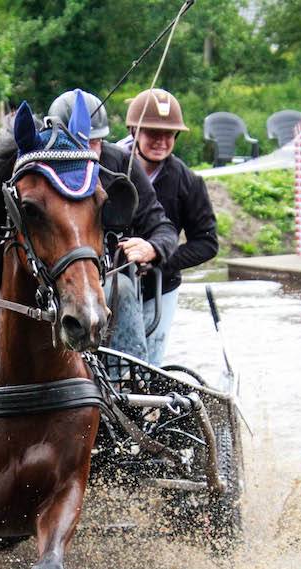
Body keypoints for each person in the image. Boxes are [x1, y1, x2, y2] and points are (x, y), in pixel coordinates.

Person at [47, 90, 177, 364]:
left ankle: (131, 378)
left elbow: (162, 227)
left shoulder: (120, 163)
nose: (89, 152)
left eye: (95, 143)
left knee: (123, 289)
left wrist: (152, 247)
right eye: (80, 144)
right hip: (49, 276)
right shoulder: (39, 169)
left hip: (102, 276)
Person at [121, 88, 219, 365]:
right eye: (153, 133)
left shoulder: (188, 182)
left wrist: (158, 260)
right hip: (109, 283)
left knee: (147, 367)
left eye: (169, 134)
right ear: (134, 131)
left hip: (160, 287)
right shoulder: (112, 169)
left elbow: (207, 243)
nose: (161, 142)